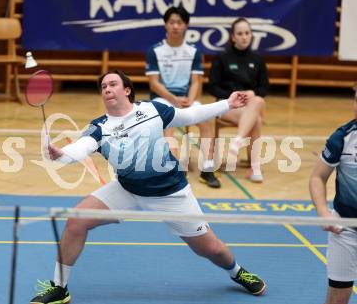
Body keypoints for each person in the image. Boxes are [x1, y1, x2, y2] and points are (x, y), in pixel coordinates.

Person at [29, 70, 266, 304]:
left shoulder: (151, 110)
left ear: (127, 90)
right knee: (75, 221)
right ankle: (60, 287)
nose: (108, 89)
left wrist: (228, 103)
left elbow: (189, 115)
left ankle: (236, 271)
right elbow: (81, 147)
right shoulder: (100, 127)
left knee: (211, 249)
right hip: (127, 190)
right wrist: (61, 154)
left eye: (113, 84)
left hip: (171, 193)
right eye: (103, 87)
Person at [146, 6, 221, 188]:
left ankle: (207, 170)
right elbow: (154, 83)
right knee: (169, 124)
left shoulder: (194, 52)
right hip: (163, 99)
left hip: (186, 99)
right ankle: (172, 172)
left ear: (186, 25)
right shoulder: (155, 51)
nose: (175, 26)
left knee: (206, 120)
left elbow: (196, 81)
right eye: (172, 22)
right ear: (166, 25)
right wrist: (174, 100)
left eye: (179, 22)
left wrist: (188, 100)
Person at [309, 82, 357, 304]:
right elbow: (318, 177)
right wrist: (322, 211)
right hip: (345, 228)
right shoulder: (343, 137)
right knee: (338, 296)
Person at [208, 17, 269, 183]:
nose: (244, 37)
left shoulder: (257, 59)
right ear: (233, 36)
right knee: (255, 118)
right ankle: (255, 168)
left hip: (250, 105)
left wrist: (251, 92)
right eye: (240, 33)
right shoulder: (222, 58)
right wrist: (233, 96)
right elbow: (212, 86)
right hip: (227, 105)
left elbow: (264, 87)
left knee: (256, 101)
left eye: (247, 33)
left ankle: (238, 140)